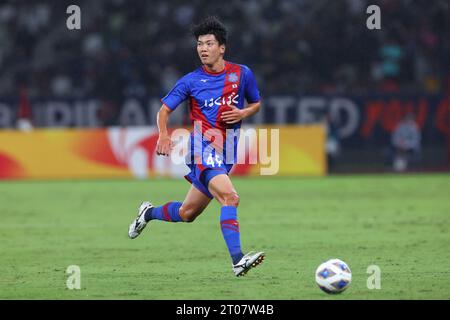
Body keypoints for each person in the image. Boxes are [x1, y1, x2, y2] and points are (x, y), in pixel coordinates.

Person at [128, 16, 264, 277]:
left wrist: (243, 113)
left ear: (221, 48)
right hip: (202, 147)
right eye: (199, 44)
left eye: (209, 43)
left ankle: (147, 214)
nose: (203, 48)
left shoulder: (242, 73)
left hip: (227, 152)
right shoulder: (190, 81)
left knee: (187, 213)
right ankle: (238, 261)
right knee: (230, 197)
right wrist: (163, 135)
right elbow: (163, 111)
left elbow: (256, 103)